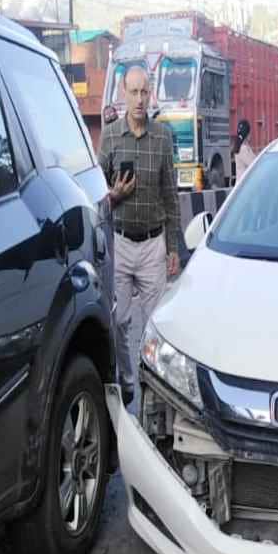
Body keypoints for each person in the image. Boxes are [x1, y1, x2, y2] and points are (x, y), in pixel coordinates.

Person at [98, 65, 182, 403]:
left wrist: (173, 246)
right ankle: (128, 377)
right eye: (132, 92)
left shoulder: (162, 137)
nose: (138, 99)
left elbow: (170, 194)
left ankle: (154, 385)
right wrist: (114, 195)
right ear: (123, 92)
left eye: (144, 92)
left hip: (152, 245)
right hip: (120, 243)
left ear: (150, 94)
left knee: (156, 324)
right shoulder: (111, 136)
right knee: (118, 320)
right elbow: (96, 188)